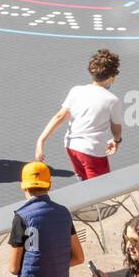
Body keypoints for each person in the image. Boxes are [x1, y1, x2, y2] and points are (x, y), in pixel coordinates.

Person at [33, 48, 123, 180]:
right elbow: (116, 128)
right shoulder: (112, 100)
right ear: (112, 77)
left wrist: (41, 141)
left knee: (84, 184)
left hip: (72, 147)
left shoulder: (76, 91)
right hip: (92, 151)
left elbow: (59, 116)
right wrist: (116, 141)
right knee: (100, 188)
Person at [8, 162, 85, 277]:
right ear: (49, 185)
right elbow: (79, 258)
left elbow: (13, 268)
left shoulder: (21, 217)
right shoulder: (64, 213)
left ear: (24, 186)